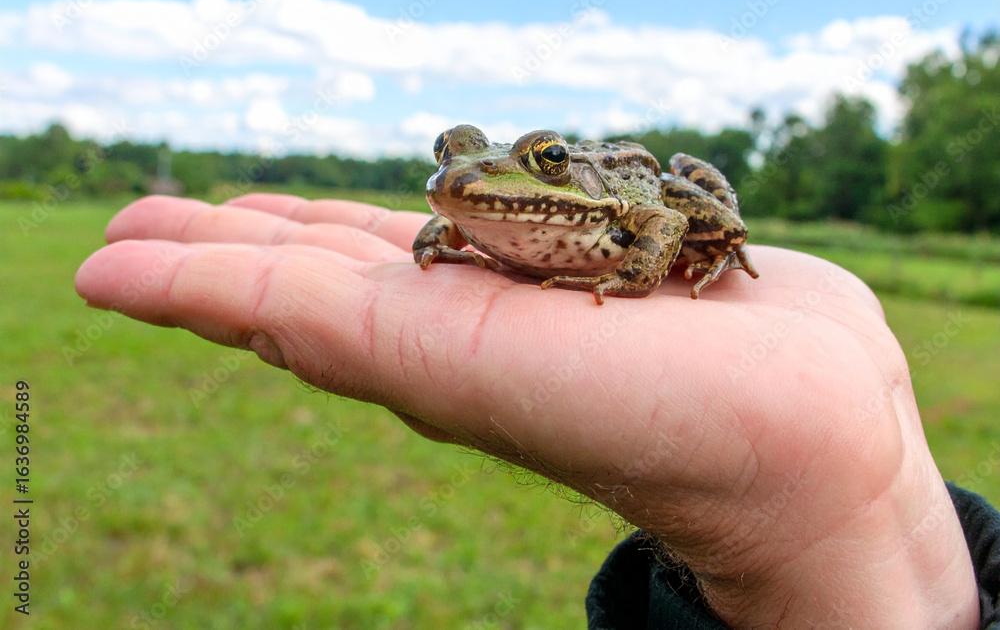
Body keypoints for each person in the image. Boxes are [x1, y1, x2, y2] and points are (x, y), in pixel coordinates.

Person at [74, 194, 999, 629]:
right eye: (452, 160)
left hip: (643, 195)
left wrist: (638, 278)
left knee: (694, 200)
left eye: (538, 163)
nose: (466, 176)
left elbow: (666, 225)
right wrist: (450, 233)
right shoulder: (468, 213)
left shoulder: (615, 206)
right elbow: (447, 218)